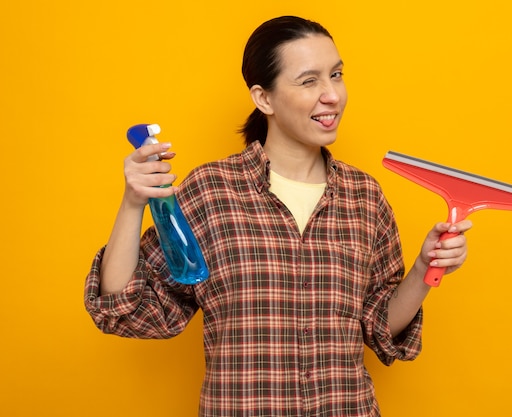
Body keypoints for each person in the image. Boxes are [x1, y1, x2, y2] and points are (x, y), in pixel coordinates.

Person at [84, 15, 472, 417]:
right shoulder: (212, 191)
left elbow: (380, 328)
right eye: (309, 81)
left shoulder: (365, 198)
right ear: (263, 98)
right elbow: (123, 309)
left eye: (336, 75)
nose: (332, 95)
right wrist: (133, 203)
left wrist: (424, 268)